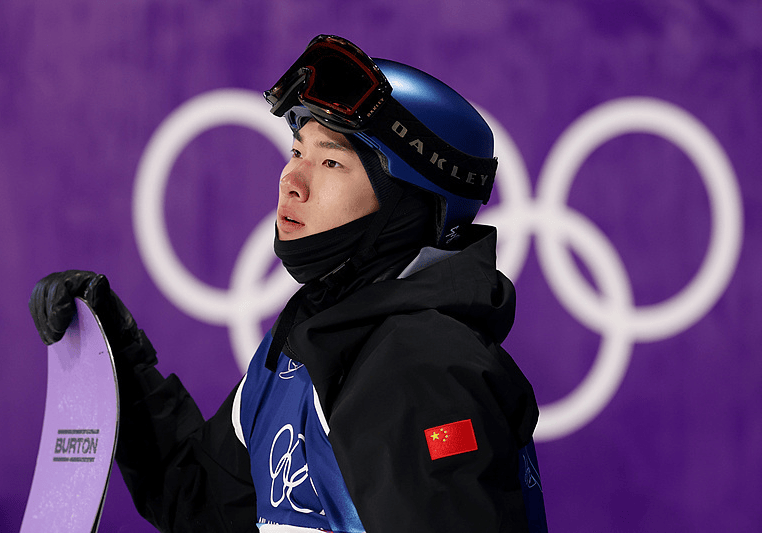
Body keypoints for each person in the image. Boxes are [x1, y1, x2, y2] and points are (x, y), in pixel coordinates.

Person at [30, 35, 547, 532]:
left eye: (331, 161)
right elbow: (209, 508)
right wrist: (116, 364)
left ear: (408, 204)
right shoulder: (306, 341)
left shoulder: (424, 367)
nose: (292, 181)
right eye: (298, 152)